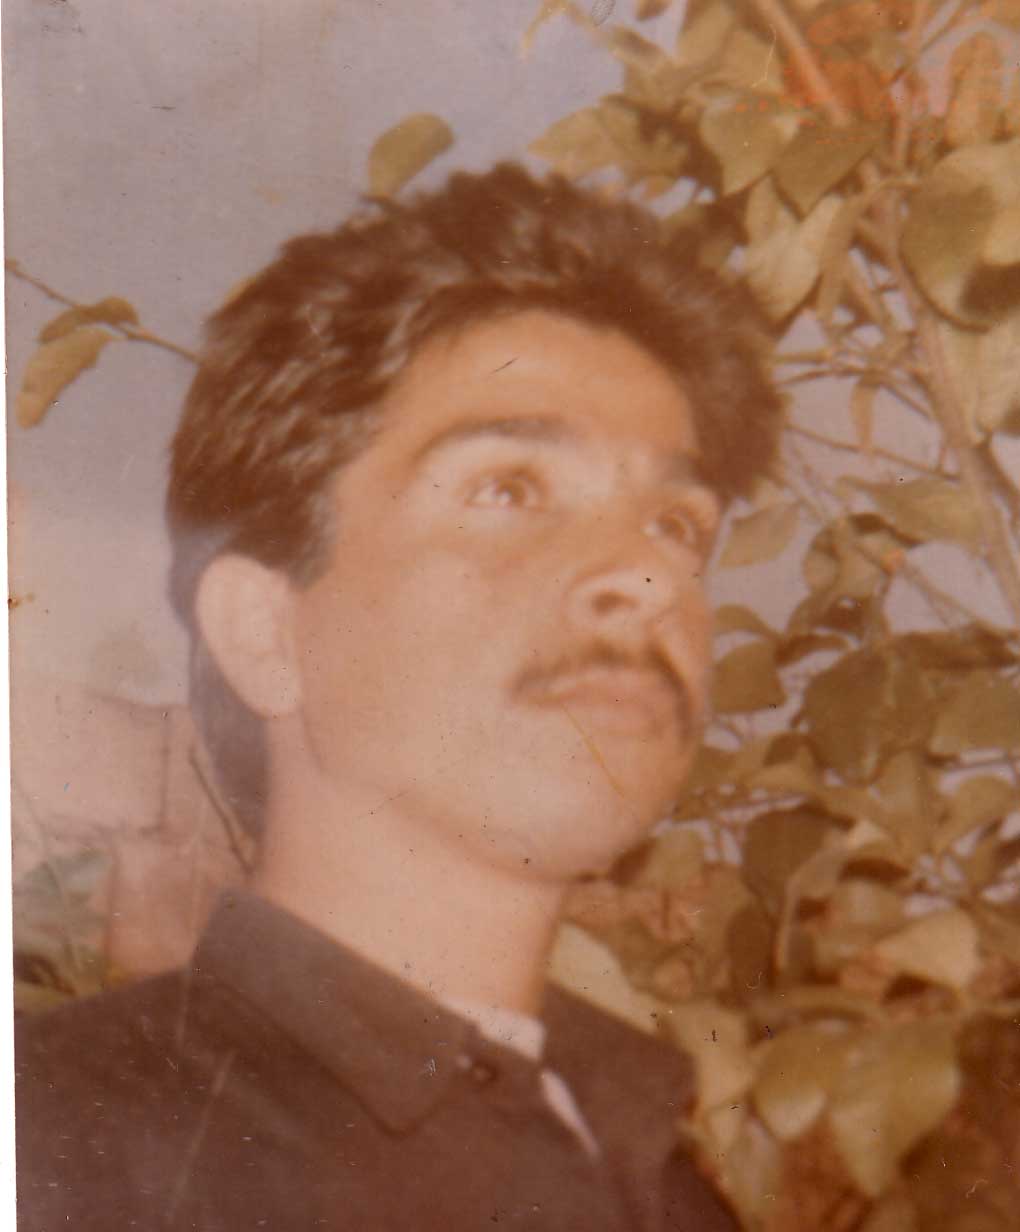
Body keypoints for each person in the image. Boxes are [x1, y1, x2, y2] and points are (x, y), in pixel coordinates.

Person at [15, 163, 782, 1230]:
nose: (647, 577)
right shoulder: (51, 1147)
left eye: (675, 525)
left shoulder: (672, 1195)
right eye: (509, 488)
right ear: (265, 632)